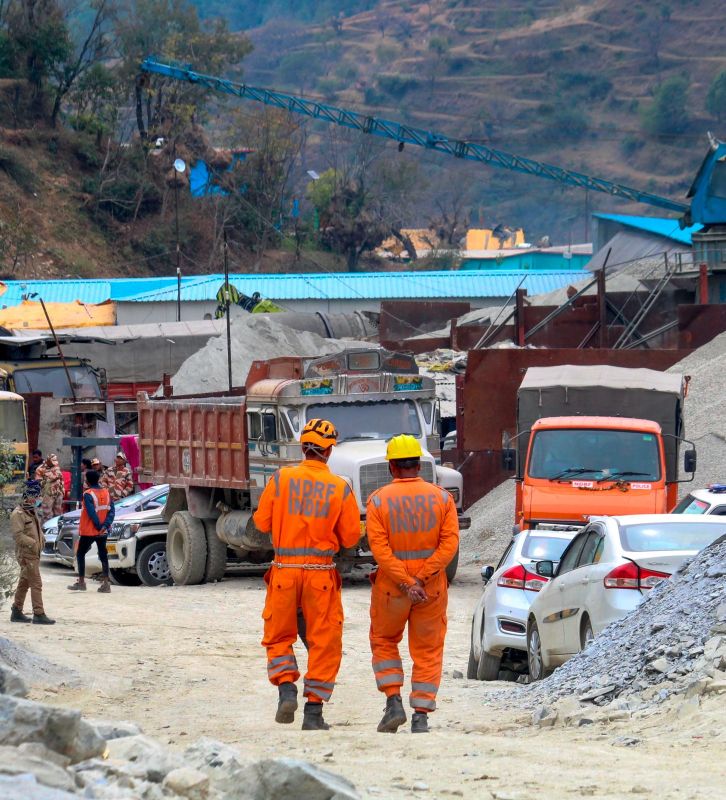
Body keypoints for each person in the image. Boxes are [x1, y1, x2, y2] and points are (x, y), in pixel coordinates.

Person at [253, 418, 360, 730]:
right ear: (328, 453)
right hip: (320, 576)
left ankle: (286, 688)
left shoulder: (282, 478)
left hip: (284, 572)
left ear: (303, 448)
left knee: (278, 636)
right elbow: (351, 538)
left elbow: (261, 523)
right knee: (324, 641)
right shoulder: (340, 487)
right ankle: (313, 713)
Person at [366, 434, 459, 734]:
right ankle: (420, 715)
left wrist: (406, 582)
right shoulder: (443, 499)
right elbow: (449, 546)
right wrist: (420, 579)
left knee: (383, 641)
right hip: (430, 591)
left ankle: (393, 702)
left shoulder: (378, 500)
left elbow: (380, 551)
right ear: (418, 466)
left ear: (392, 467)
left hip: (393, 589)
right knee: (428, 650)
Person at [9, 481, 55, 625]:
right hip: (26, 554)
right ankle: (39, 614)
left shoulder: (30, 511)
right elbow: (18, 535)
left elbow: (35, 530)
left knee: (25, 582)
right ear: (27, 496)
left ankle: (16, 611)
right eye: (35, 496)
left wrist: (42, 539)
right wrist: (34, 543)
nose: (38, 499)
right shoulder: (18, 514)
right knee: (36, 583)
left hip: (34, 553)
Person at [68, 469, 115, 593]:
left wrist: (98, 526)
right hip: (103, 531)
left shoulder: (88, 494)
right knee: (103, 555)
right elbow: (111, 512)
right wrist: (105, 526)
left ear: (87, 481)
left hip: (89, 530)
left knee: (80, 553)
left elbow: (91, 512)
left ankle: (82, 582)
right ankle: (106, 584)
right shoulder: (106, 492)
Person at [35, 453, 64, 523]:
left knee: (58, 513)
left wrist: (62, 490)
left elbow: (61, 479)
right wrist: (50, 480)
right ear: (48, 461)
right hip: (47, 494)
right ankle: (46, 530)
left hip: (58, 493)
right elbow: (38, 482)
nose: (54, 464)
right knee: (47, 514)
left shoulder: (56, 467)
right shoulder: (40, 469)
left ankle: (57, 529)